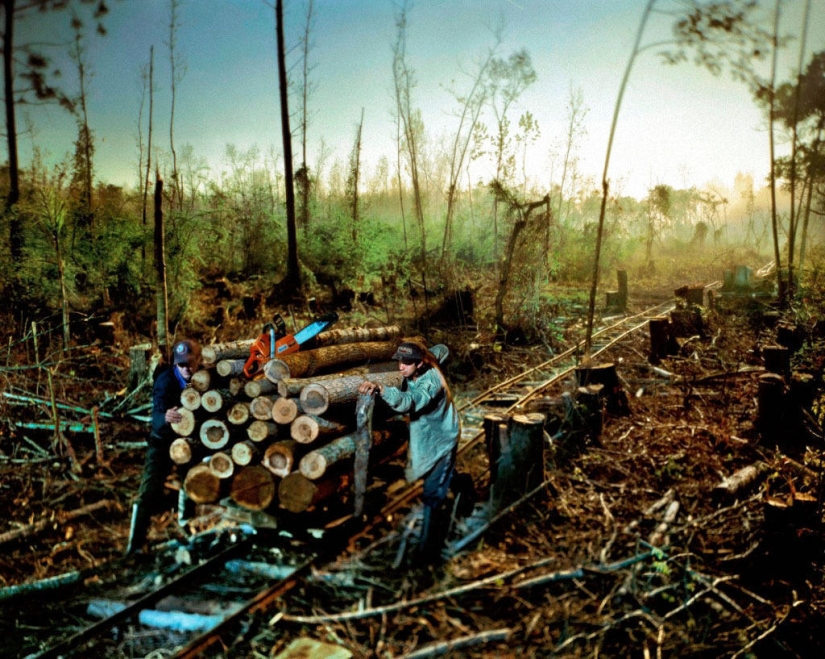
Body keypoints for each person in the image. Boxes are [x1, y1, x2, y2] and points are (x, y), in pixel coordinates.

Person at [358, 339, 473, 562]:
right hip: (428, 435)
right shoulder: (424, 363)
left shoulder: (431, 381)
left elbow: (411, 401)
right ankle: (464, 485)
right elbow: (441, 349)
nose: (401, 366)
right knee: (441, 476)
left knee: (432, 491)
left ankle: (429, 554)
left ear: (420, 364)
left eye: (407, 362)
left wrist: (383, 389)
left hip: (442, 437)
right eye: (400, 360)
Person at [126, 339, 201, 555]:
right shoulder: (165, 381)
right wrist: (165, 417)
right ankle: (135, 543)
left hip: (189, 441)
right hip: (163, 440)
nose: (186, 369)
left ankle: (188, 525)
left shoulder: (202, 379)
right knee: (150, 489)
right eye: (181, 365)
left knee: (191, 481)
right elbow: (156, 415)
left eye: (189, 364)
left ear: (197, 361)